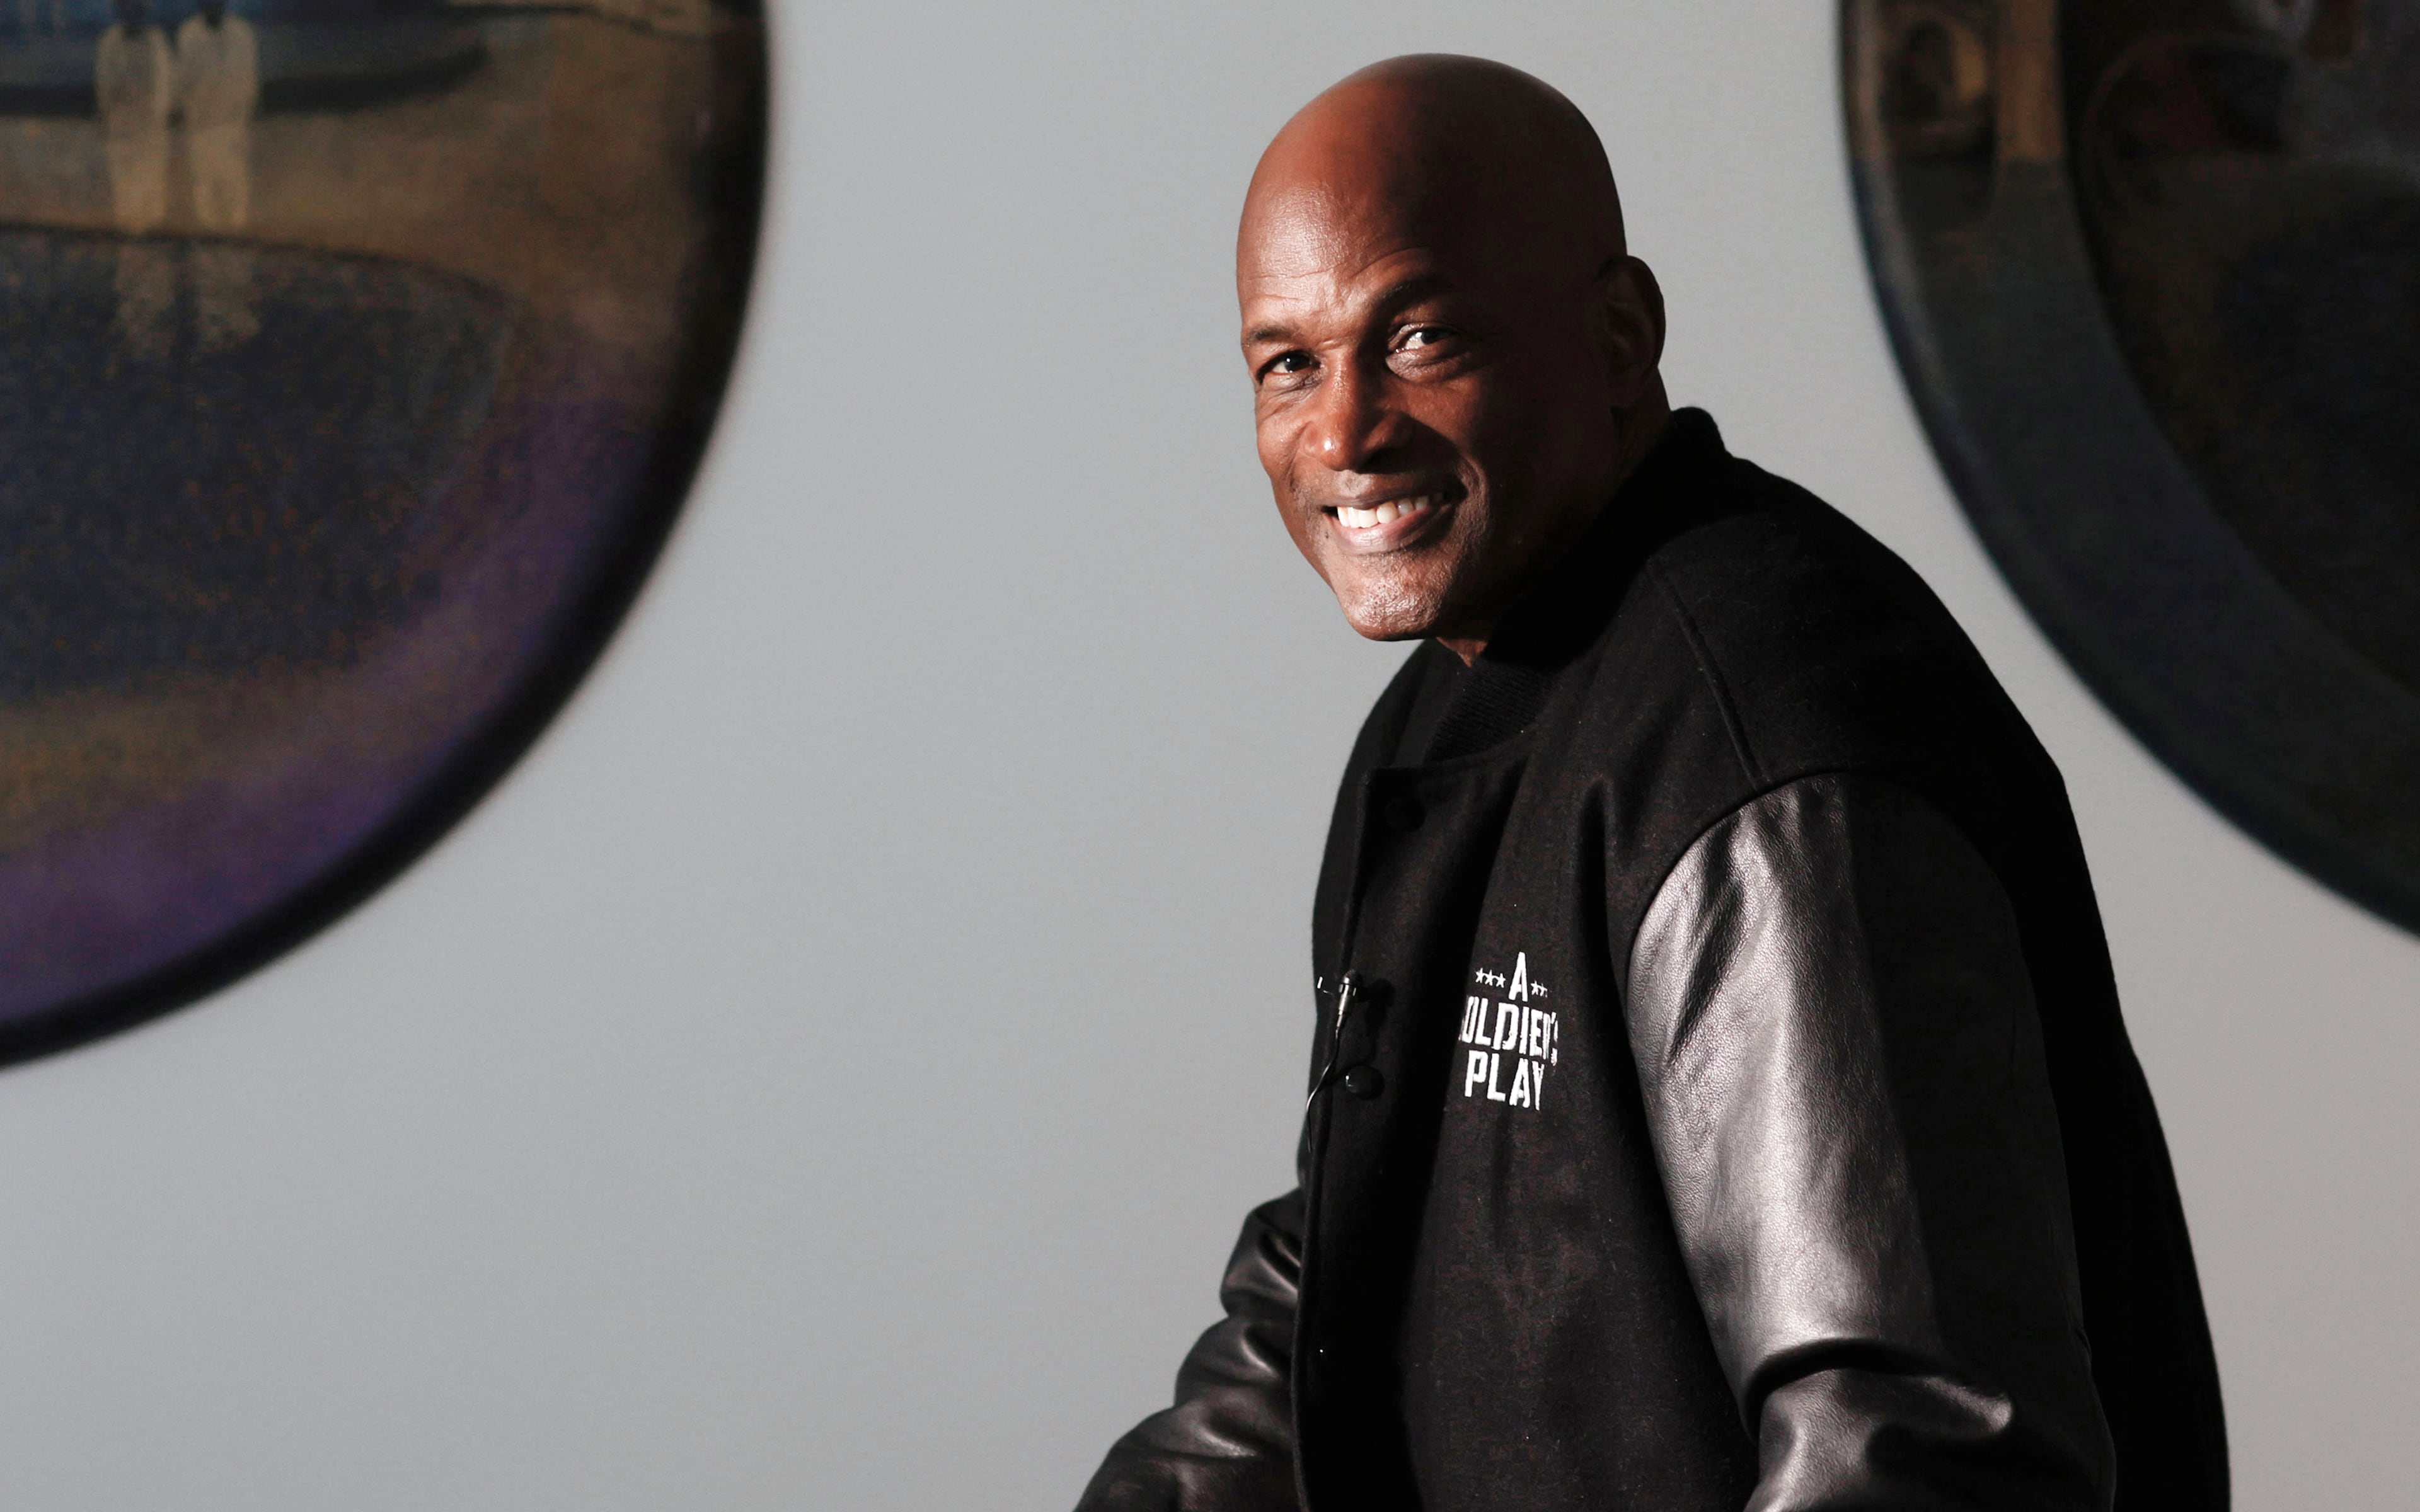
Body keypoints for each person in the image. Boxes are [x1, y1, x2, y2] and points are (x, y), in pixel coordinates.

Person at [1076, 55, 2228, 1512]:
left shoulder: (1761, 743)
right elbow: (1341, 1268)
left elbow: (1922, 1444)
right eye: (1288, 361)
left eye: (1418, 335)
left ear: (1619, 335)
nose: (1342, 431)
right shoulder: (1454, 702)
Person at [176, 0, 257, 233]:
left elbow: (249, 79)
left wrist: (245, 112)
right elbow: (184, 81)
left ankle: (237, 230)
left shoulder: (242, 34)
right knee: (205, 181)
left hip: (234, 124)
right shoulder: (189, 35)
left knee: (235, 179)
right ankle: (208, 232)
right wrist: (190, 113)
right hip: (202, 125)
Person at [95, 0, 171, 234]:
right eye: (125, 6)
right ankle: (129, 233)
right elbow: (105, 88)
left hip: (150, 127)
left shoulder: (156, 41)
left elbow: (164, 85)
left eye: (135, 7)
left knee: (150, 181)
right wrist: (107, 119)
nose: (131, 12)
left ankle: (151, 234)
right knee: (124, 183)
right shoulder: (109, 43)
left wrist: (157, 120)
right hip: (120, 127)